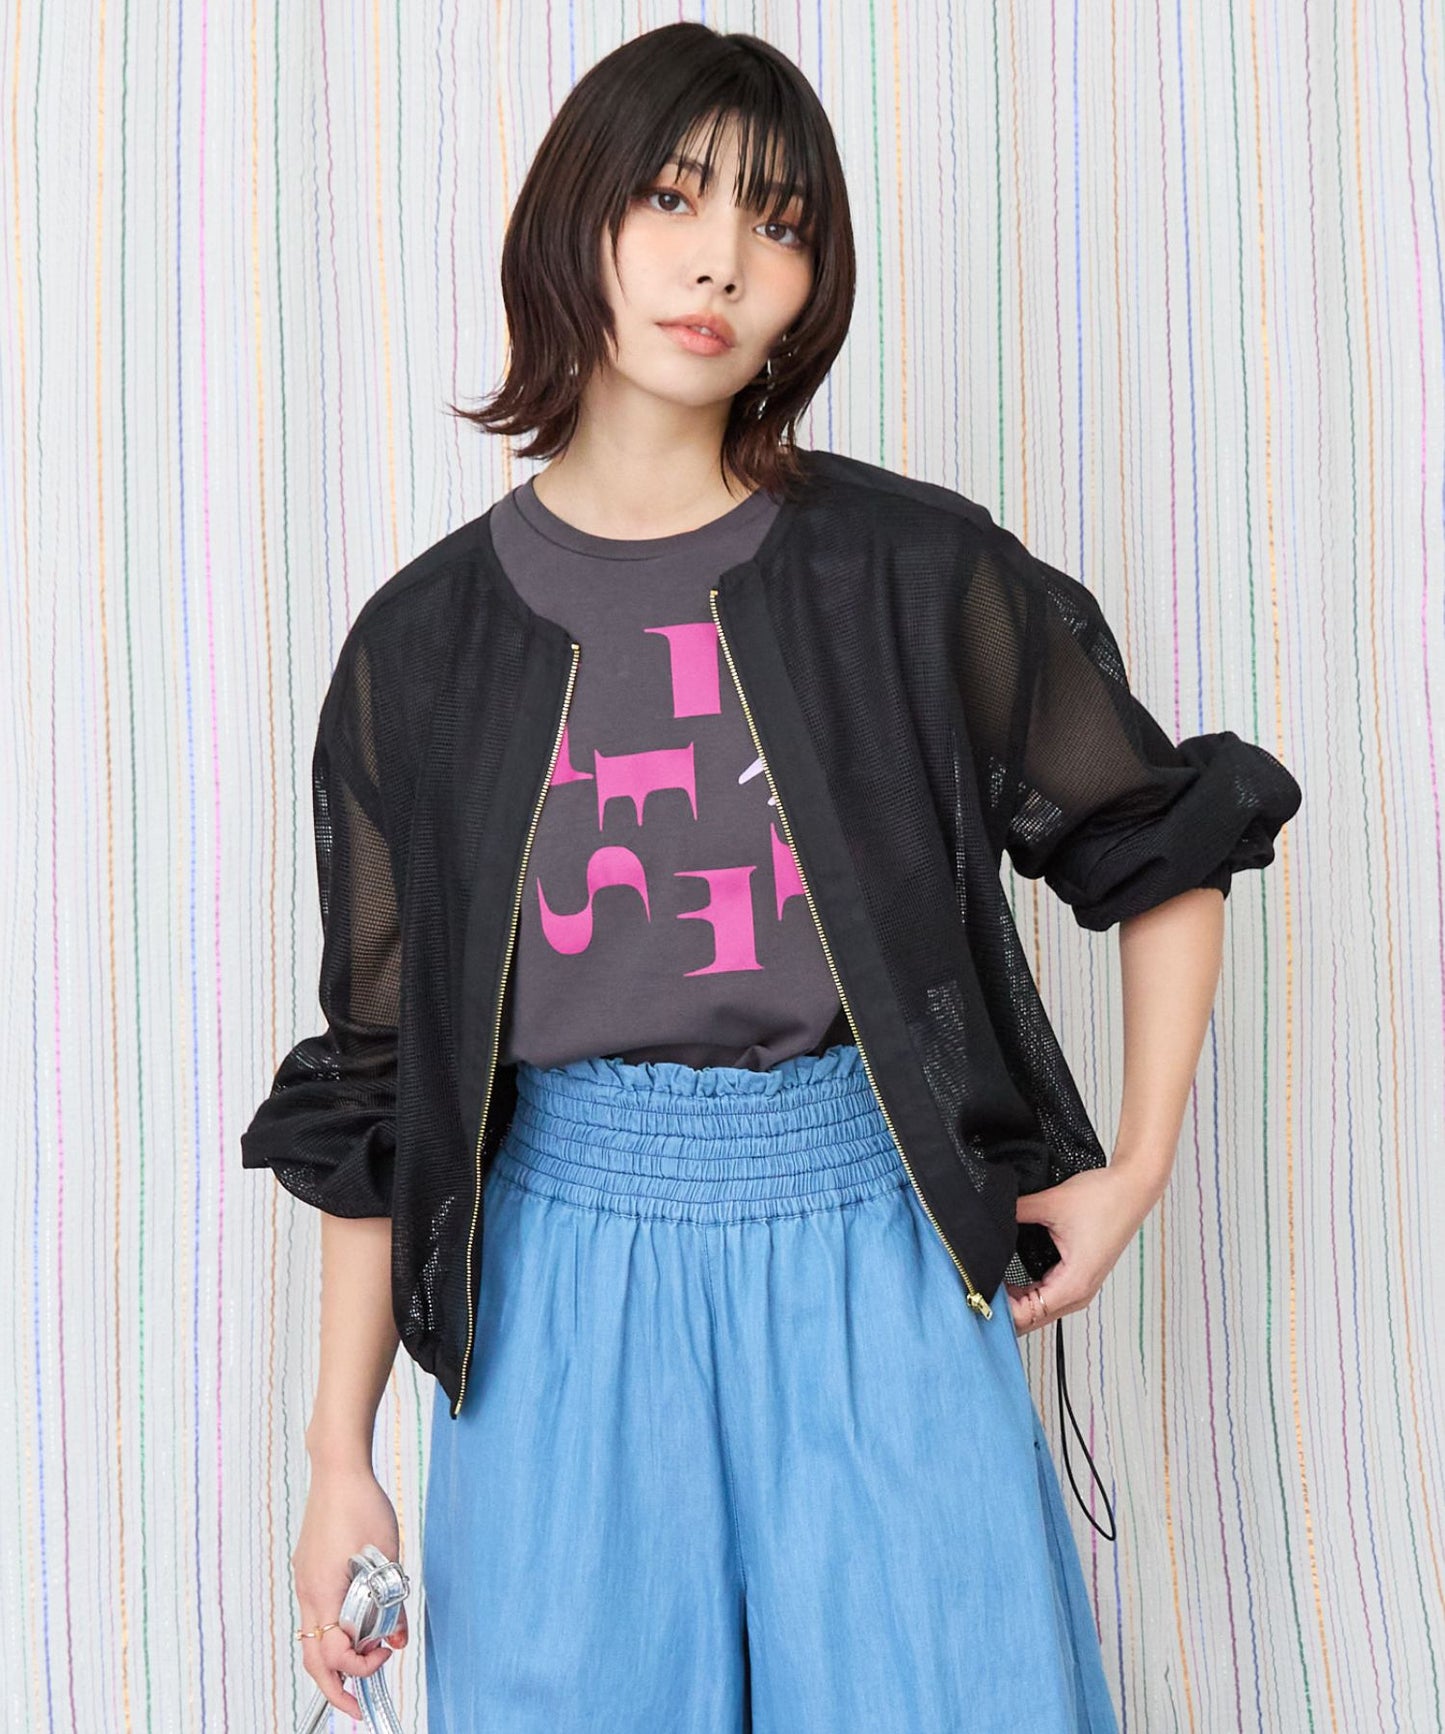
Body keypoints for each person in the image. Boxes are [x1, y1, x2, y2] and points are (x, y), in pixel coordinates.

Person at [243, 22, 1302, 1732]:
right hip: (557, 1285)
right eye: (672, 198)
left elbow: (1156, 836)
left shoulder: (906, 570)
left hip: (871, 1244)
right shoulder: (420, 648)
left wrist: (1135, 1164)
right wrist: (336, 1455)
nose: (722, 260)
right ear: (575, 220)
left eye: (780, 221)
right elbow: (375, 1086)